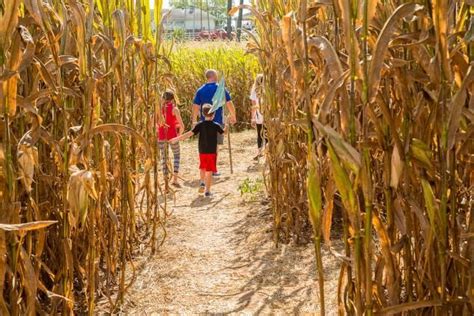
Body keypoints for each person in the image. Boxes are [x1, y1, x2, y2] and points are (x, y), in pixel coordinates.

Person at [171, 104, 225, 197]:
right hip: (212, 152)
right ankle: (207, 191)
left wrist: (177, 139)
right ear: (214, 114)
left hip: (202, 151)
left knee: (202, 167)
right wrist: (227, 124)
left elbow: (189, 134)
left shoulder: (199, 125)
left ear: (202, 114)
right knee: (209, 171)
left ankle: (202, 182)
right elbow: (225, 132)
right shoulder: (216, 125)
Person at [192, 69, 237, 176]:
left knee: (205, 146)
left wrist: (194, 120)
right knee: (215, 146)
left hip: (203, 123)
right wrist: (233, 116)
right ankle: (212, 169)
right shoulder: (220, 89)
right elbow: (229, 103)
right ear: (214, 76)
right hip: (217, 121)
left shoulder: (200, 90)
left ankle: (206, 168)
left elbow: (195, 107)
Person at [157, 90, 185, 188]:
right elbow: (182, 126)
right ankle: (175, 179)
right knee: (176, 156)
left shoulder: (158, 109)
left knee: (163, 158)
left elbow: (153, 124)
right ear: (173, 99)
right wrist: (179, 137)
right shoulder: (174, 109)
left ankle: (165, 181)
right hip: (173, 136)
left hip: (161, 136)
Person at [250, 74, 267, 160]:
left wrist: (253, 118)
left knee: (259, 135)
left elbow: (253, 106)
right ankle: (267, 153)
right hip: (267, 115)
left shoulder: (254, 91)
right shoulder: (267, 90)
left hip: (259, 115)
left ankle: (260, 152)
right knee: (267, 134)